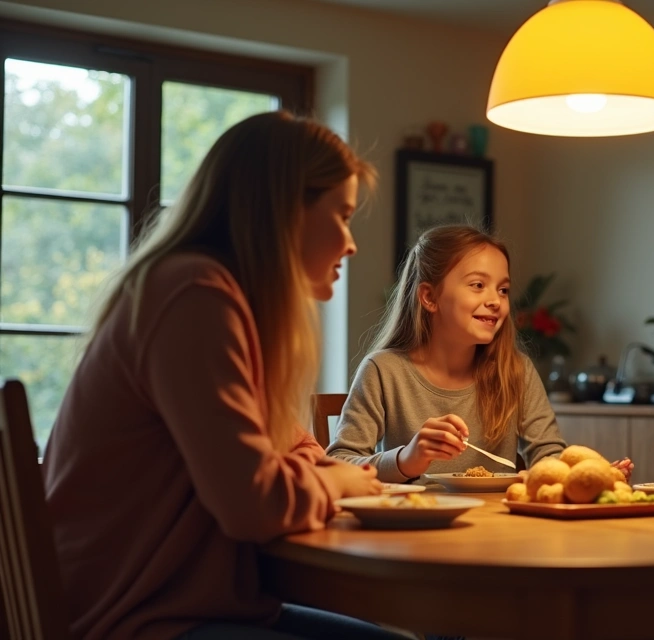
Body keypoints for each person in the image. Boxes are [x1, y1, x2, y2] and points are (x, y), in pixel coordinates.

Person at [41, 111, 403, 640]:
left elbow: (285, 446)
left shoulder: (220, 300)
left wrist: (311, 470)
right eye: (343, 215)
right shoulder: (195, 295)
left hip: (190, 601)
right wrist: (339, 478)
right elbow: (253, 506)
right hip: (134, 618)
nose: (350, 243)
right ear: (285, 211)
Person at [327, 225, 633, 482]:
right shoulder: (384, 371)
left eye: (502, 289)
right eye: (477, 285)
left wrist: (580, 475)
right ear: (430, 297)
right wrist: (407, 458)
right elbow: (340, 463)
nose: (495, 301)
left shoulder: (516, 371)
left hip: (498, 535)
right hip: (414, 534)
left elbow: (548, 455)